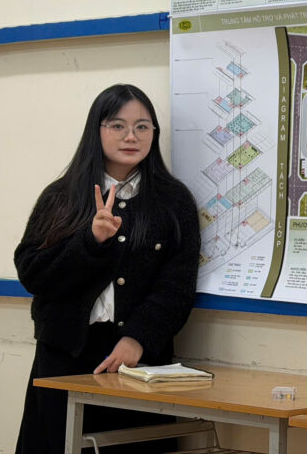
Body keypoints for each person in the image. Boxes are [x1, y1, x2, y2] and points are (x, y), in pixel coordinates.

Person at [14, 84, 200, 453]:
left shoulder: (173, 201)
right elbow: (33, 273)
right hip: (64, 357)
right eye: (118, 126)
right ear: (96, 130)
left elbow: (176, 287)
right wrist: (91, 241)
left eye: (142, 127)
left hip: (138, 362)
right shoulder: (62, 196)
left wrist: (138, 339)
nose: (131, 136)